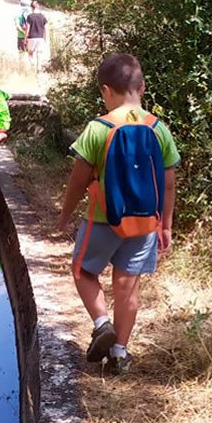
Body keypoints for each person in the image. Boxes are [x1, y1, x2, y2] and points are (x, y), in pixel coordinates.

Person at [52, 53, 179, 374]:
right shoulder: (158, 129)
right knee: (127, 285)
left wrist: (64, 216)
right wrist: (166, 226)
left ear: (106, 91)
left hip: (102, 219)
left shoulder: (99, 127)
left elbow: (78, 180)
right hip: (145, 224)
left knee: (82, 272)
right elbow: (168, 186)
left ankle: (101, 324)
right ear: (143, 87)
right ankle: (119, 354)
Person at [24, 0, 48, 72]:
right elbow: (46, 28)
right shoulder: (42, 16)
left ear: (31, 7)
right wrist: (45, 38)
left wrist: (25, 38)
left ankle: (32, 66)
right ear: (38, 6)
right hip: (40, 38)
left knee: (30, 53)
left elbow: (28, 28)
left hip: (31, 37)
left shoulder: (30, 16)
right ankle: (38, 69)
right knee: (39, 54)